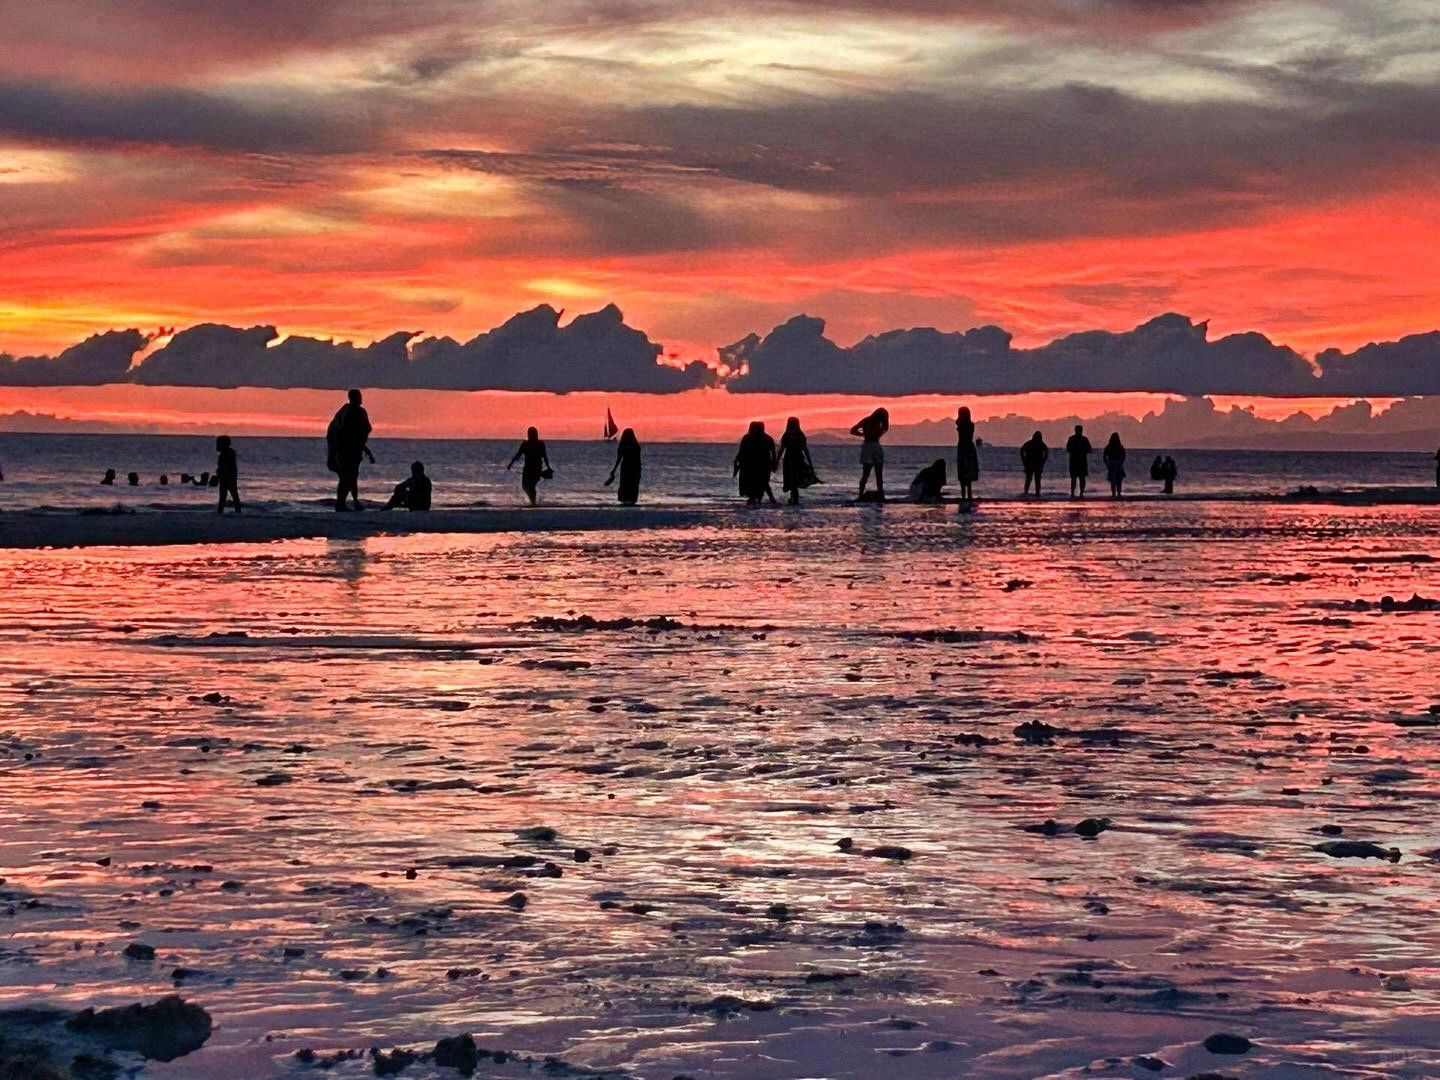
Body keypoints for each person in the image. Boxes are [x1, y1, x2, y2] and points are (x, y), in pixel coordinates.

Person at [327, 388, 374, 511]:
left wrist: (365, 450)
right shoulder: (347, 412)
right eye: (357, 396)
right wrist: (332, 454)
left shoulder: (359, 412)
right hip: (345, 450)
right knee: (347, 477)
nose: (360, 399)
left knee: (352, 476)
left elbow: (360, 434)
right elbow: (344, 434)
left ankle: (353, 501)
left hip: (353, 449)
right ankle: (341, 503)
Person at [733, 421, 777, 507]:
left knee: (763, 482)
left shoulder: (767, 439)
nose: (755, 430)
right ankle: (761, 500)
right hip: (749, 465)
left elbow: (773, 452)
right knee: (753, 482)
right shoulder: (747, 438)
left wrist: (774, 463)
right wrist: (737, 461)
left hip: (763, 465)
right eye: (754, 428)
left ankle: (764, 500)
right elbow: (741, 451)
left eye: (757, 428)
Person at [850, 407, 889, 501]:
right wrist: (865, 434)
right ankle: (880, 495)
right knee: (876, 474)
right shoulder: (879, 424)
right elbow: (853, 430)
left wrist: (865, 434)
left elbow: (853, 430)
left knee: (866, 473)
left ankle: (862, 494)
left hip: (869, 447)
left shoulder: (867, 421)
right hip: (873, 446)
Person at [778, 417, 818, 505]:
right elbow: (804, 449)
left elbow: (782, 449)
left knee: (793, 481)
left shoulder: (789, 435)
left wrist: (777, 460)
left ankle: (794, 499)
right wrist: (810, 462)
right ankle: (794, 499)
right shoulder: (798, 435)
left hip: (793, 459)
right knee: (793, 481)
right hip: (794, 459)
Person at [507, 427, 550, 506]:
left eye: (532, 433)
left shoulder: (540, 444)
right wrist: (511, 463)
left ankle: (533, 503)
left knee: (532, 486)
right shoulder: (525, 444)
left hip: (537, 468)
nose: (531, 435)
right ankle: (533, 502)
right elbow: (518, 454)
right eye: (529, 433)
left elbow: (545, 456)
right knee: (524, 486)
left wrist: (548, 467)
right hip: (527, 468)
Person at [605, 428, 642, 505]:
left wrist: (614, 470)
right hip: (632, 467)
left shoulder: (625, 445)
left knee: (627, 484)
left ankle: (626, 499)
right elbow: (620, 458)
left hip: (628, 467)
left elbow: (619, 458)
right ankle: (631, 500)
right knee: (631, 484)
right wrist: (614, 470)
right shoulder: (635, 445)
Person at [954, 406, 979, 506]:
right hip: (968, 446)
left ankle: (964, 495)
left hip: (964, 446)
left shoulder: (962, 424)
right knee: (967, 471)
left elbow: (957, 423)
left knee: (963, 470)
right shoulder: (970, 424)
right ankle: (968, 495)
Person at [215, 435, 241, 514]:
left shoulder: (227, 454)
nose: (217, 446)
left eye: (218, 443)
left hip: (228, 478)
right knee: (225, 496)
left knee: (231, 495)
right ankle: (221, 511)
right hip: (226, 477)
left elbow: (227, 467)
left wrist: (221, 473)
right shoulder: (226, 454)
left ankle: (236, 511)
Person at [1065, 424, 1092, 498]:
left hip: (1076, 461)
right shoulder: (1084, 439)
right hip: (1080, 461)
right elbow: (1089, 450)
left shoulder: (1073, 439)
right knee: (1080, 478)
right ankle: (1079, 493)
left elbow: (1068, 449)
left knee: (1077, 478)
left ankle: (1075, 493)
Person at [1020, 431, 1049, 496]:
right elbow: (1022, 450)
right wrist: (1024, 460)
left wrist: (1043, 460)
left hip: (1037, 464)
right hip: (1030, 464)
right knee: (1030, 479)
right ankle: (1027, 493)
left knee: (1036, 480)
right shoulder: (1030, 443)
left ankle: (1036, 493)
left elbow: (1046, 451)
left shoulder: (1041, 444)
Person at [1103, 432, 1126, 498]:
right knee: (1118, 480)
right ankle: (1118, 493)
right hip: (1116, 463)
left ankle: (1114, 493)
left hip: (1113, 464)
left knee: (1113, 480)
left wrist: (1106, 463)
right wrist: (1121, 462)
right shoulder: (1119, 446)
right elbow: (1124, 455)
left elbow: (1104, 456)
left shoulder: (1109, 446)